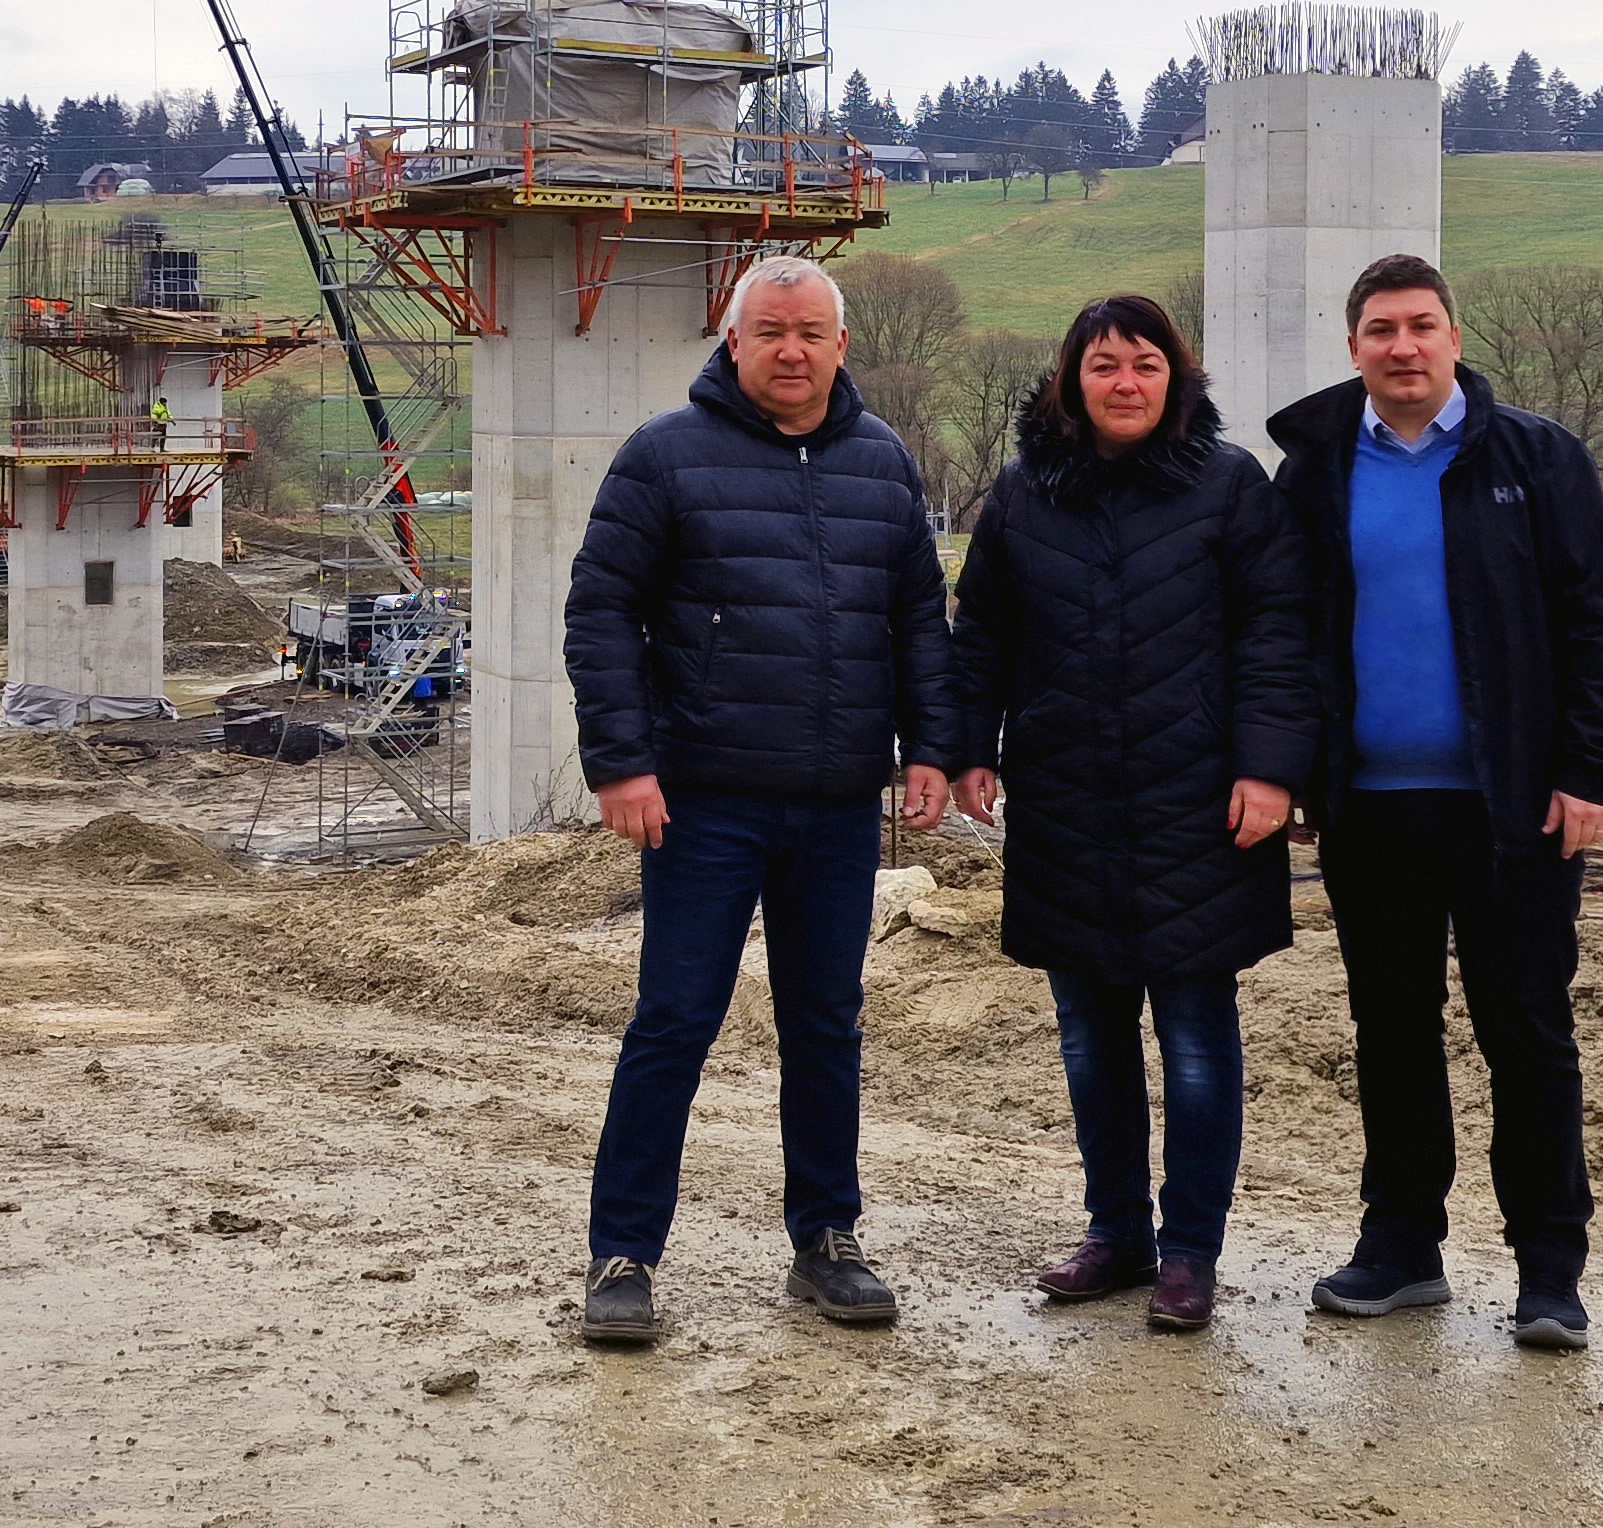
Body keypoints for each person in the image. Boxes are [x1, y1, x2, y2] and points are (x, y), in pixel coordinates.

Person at [564, 254, 959, 1345]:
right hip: (703, 801)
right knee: (674, 1022)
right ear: (733, 341)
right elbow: (602, 611)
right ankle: (623, 1254)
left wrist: (931, 747)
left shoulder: (883, 462)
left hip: (837, 803)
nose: (792, 351)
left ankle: (827, 1237)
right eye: (771, 332)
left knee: (826, 1024)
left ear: (840, 346)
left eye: (811, 333)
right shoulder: (664, 455)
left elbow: (919, 619)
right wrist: (621, 763)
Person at [1267, 254, 1603, 1351]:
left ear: (1454, 338)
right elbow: (1284, 632)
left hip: (1513, 807)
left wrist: (1592, 771)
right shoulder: (1316, 469)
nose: (1403, 347)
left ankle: (1549, 1272)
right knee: (1391, 1029)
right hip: (1371, 807)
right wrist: (1295, 767)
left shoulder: (1537, 459)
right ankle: (1401, 1248)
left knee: (1526, 1031)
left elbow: (1594, 621)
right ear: (1353, 348)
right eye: (1382, 330)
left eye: (1421, 326)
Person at [950, 295, 1317, 1331]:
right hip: (1066, 798)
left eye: (1145, 364)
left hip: (1200, 805)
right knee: (1089, 1036)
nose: (1124, 383)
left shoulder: (1231, 487)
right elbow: (982, 633)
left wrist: (1271, 770)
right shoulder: (1022, 494)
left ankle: (1190, 1252)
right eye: (1104, 365)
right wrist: (971, 745)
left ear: (1175, 378)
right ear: (1071, 381)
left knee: (1195, 1037)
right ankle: (1115, 1233)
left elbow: (1278, 633)